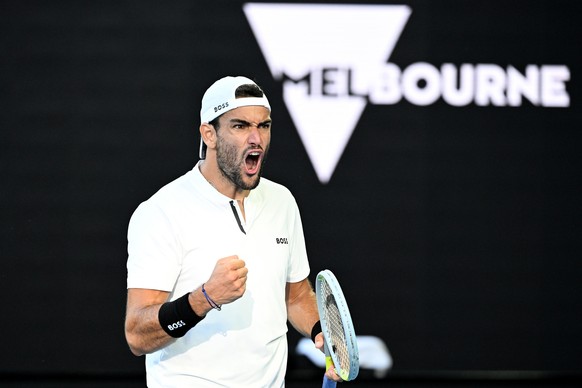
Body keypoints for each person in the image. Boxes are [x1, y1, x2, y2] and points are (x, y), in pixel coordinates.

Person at [124, 76, 341, 387]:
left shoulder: (282, 201)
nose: (256, 139)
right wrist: (204, 299)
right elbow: (137, 335)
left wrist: (322, 331)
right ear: (209, 134)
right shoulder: (161, 211)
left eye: (263, 126)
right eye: (240, 126)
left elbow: (293, 297)